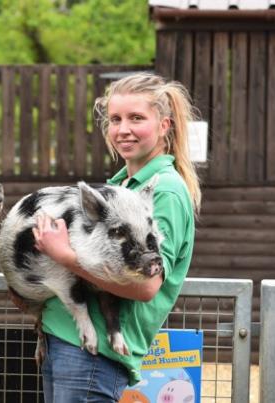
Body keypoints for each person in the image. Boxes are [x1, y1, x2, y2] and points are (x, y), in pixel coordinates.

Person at [32, 72, 201, 402]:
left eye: (136, 118)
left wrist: (66, 258)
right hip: (68, 340)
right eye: (115, 119)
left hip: (95, 352)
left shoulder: (164, 191)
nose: (123, 129)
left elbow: (147, 284)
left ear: (164, 125)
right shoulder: (121, 186)